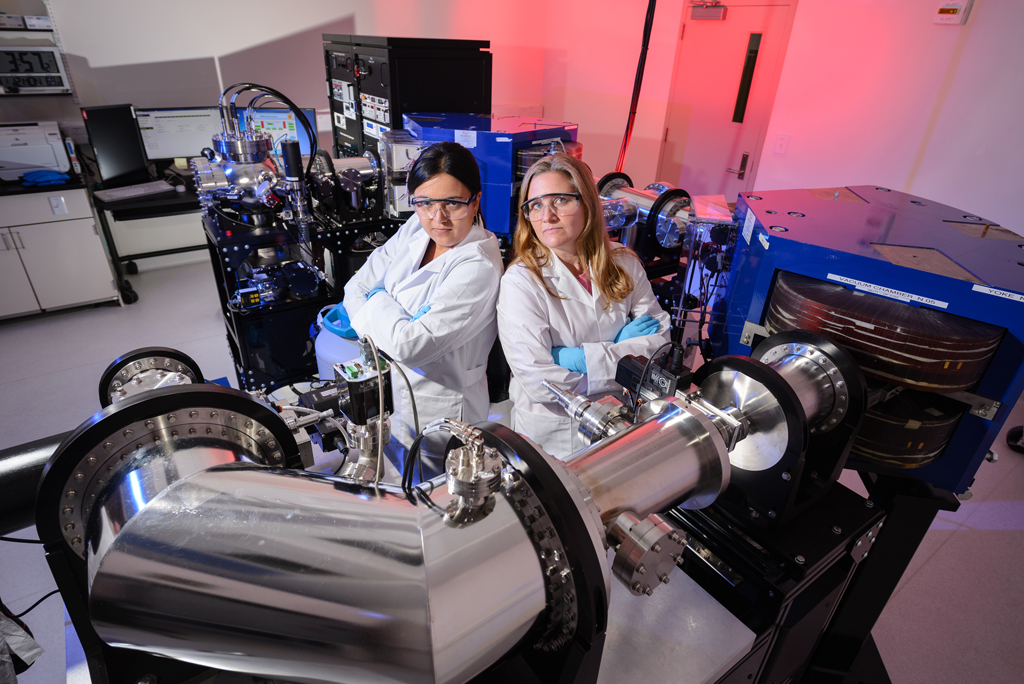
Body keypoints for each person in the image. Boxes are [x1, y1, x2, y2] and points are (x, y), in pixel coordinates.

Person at [497, 153, 671, 459]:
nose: (546, 216)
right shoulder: (521, 281)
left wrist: (579, 359)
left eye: (560, 200)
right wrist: (621, 351)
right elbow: (541, 384)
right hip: (554, 434)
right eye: (535, 205)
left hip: (619, 422)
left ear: (586, 202)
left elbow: (659, 344)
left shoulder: (624, 261)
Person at [341, 142, 503, 448]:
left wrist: (376, 299)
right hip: (394, 393)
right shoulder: (417, 226)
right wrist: (391, 318)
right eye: (424, 202)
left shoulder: (478, 265)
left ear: (476, 200)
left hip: (445, 409)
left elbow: (411, 346)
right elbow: (354, 288)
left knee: (439, 485)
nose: (437, 217)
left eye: (453, 203)